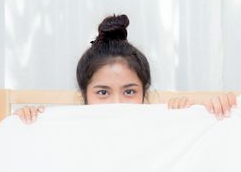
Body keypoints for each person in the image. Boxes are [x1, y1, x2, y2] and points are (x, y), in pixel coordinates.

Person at [17, 14, 159, 123]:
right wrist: (27, 121)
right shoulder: (68, 132)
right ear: (84, 95)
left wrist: (179, 113)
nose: (116, 103)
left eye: (129, 91)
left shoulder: (157, 133)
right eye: (103, 92)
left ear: (144, 93)